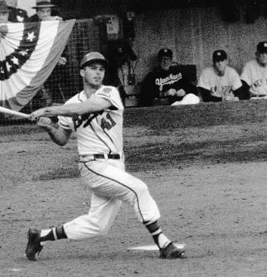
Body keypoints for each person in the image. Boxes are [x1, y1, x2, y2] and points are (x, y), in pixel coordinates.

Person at [24, 52, 185, 261]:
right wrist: (48, 127)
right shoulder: (70, 104)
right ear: (82, 72)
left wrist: (46, 111)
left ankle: (40, 237)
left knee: (98, 225)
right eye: (92, 68)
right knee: (138, 190)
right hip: (93, 165)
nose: (98, 73)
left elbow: (84, 108)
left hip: (115, 165)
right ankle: (163, 243)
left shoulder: (110, 93)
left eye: (101, 69)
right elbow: (62, 138)